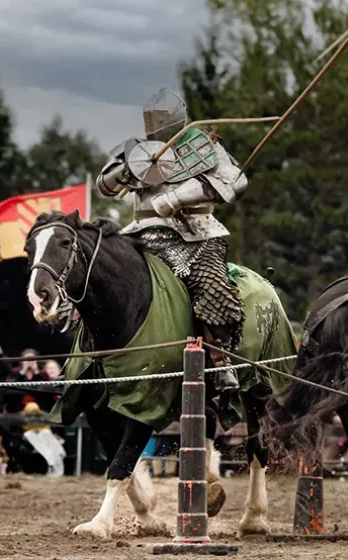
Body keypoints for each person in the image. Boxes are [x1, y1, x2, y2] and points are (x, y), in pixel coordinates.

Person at [95, 89, 248, 392]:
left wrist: (178, 197)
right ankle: (86, 359)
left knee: (211, 284)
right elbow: (104, 186)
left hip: (195, 233)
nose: (157, 123)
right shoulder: (138, 148)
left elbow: (235, 180)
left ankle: (222, 360)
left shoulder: (204, 145)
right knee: (98, 276)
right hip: (140, 233)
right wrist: (125, 171)